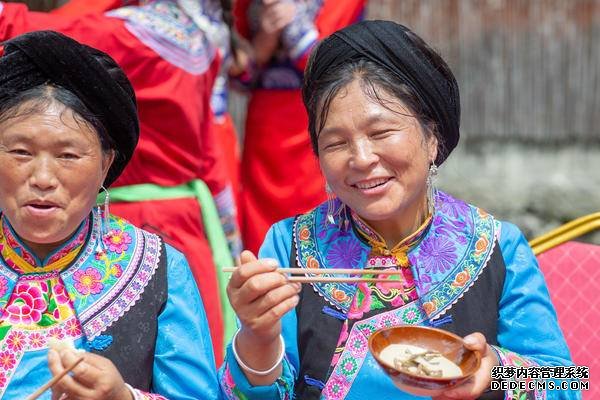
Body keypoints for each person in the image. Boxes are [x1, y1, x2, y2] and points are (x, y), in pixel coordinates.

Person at [218, 20, 579, 399]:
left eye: (381, 133)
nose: (361, 158)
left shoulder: (498, 247)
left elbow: (569, 383)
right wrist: (257, 336)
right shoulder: (287, 245)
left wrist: (497, 373)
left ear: (432, 136)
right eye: (336, 143)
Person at [0, 0, 240, 361]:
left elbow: (31, 39)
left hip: (127, 217)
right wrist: (228, 235)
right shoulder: (202, 36)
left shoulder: (124, 34)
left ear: (108, 160)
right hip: (189, 219)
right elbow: (209, 156)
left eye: (67, 154)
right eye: (20, 153)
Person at [234, 0, 366, 253]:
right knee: (261, 228)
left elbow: (324, 62)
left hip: (323, 120)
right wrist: (265, 39)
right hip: (266, 127)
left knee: (325, 219)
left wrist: (288, 18)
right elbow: (240, 77)